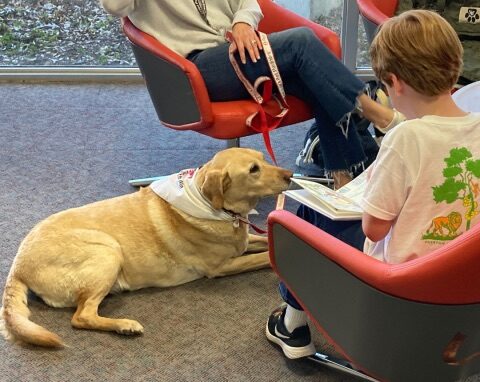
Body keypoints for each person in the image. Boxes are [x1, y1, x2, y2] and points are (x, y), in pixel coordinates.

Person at [266, 9, 480, 359]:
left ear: (395, 83)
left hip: (401, 285)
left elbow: (375, 229)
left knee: (307, 215)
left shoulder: (407, 138)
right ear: (454, 66)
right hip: (464, 280)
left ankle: (291, 325)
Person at [100, 0, 402, 189]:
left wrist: (243, 22)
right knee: (300, 41)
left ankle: (342, 179)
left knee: (317, 81)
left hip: (238, 52)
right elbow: (114, 7)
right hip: (193, 67)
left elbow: (250, 3)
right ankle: (375, 112)